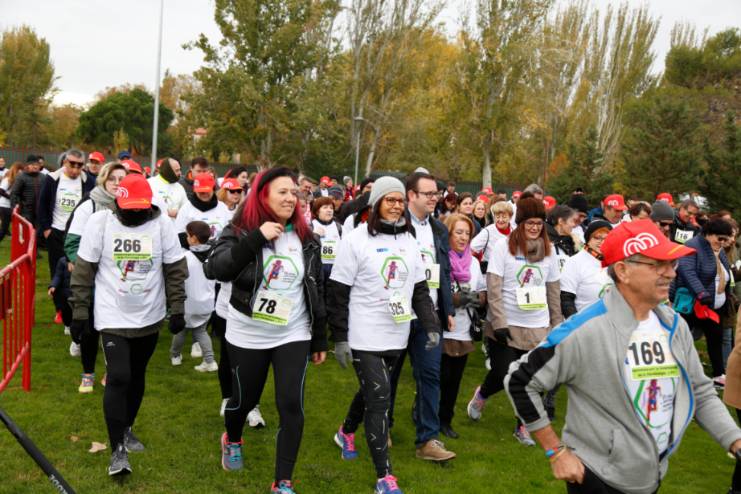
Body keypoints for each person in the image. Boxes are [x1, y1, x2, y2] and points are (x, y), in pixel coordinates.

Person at [504, 219, 741, 494]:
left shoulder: (674, 325)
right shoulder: (584, 330)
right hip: (597, 478)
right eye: (657, 265)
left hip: (650, 477)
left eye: (672, 264)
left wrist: (735, 440)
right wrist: (555, 451)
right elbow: (519, 381)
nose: (670, 273)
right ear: (623, 271)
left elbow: (699, 391)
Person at [205, 167, 326, 494]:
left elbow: (316, 287)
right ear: (262, 196)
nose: (290, 198)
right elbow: (216, 269)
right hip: (248, 332)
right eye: (282, 192)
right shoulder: (239, 230)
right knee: (243, 401)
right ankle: (232, 437)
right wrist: (256, 238)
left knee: (291, 405)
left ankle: (282, 482)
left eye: (293, 192)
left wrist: (319, 337)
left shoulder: (306, 237)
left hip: (293, 331)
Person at [69, 173, 188, 476]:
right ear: (117, 203)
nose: (135, 213)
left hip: (149, 315)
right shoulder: (101, 223)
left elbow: (175, 269)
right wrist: (80, 312)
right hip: (112, 315)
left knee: (136, 375)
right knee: (119, 376)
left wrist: (177, 308)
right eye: (129, 208)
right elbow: (83, 270)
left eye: (140, 208)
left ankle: (127, 429)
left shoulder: (162, 225)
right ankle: (117, 451)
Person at [328, 176, 441, 494]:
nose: (396, 206)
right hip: (364, 332)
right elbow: (338, 291)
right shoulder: (356, 239)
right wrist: (340, 337)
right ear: (375, 203)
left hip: (397, 331)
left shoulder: (409, 239)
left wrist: (431, 325)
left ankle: (345, 431)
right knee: (380, 398)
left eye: (399, 200)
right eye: (389, 200)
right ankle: (384, 477)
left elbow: (419, 288)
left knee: (372, 389)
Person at [467, 194, 563, 446]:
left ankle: (523, 426)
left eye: (539, 223)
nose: (534, 228)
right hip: (507, 324)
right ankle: (482, 394)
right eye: (529, 223)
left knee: (532, 379)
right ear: (520, 223)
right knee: (503, 373)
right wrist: (499, 322)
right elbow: (494, 286)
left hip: (538, 326)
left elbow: (553, 291)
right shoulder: (503, 247)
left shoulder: (549, 251)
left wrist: (557, 325)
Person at [387, 171, 456, 462]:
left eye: (436, 193)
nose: (434, 198)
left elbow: (444, 270)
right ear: (411, 195)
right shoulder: (393, 225)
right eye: (428, 193)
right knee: (389, 374)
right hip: (396, 312)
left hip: (430, 315)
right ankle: (382, 426)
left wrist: (447, 308)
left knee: (430, 375)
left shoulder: (439, 229)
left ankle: (428, 438)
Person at [64, 162, 128, 392]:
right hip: (92, 278)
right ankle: (88, 373)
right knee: (89, 330)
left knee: (116, 330)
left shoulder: (130, 206)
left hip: (118, 281)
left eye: (122, 179)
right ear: (103, 179)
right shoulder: (89, 205)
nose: (117, 183)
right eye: (112, 178)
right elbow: (72, 242)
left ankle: (111, 372)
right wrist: (87, 264)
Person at [671, 216, 734, 386]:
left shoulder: (718, 249)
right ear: (709, 233)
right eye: (720, 238)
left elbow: (725, 273)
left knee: (715, 339)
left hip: (713, 305)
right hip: (694, 304)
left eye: (725, 240)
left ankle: (718, 374)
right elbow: (687, 271)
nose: (723, 243)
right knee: (684, 338)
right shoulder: (692, 245)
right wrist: (701, 293)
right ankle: (678, 370)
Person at [439, 213, 486, 439]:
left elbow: (482, 291)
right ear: (448, 233)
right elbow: (434, 292)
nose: (463, 237)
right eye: (458, 232)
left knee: (454, 381)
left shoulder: (474, 263)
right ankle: (425, 414)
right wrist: (455, 300)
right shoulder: (440, 260)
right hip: (442, 327)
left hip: (464, 329)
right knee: (438, 378)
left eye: (467, 233)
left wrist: (477, 299)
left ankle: (445, 420)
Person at [38, 149, 96, 321]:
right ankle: (61, 310)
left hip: (78, 234)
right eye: (72, 164)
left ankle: (79, 308)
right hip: (56, 232)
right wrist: (47, 229)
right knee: (58, 271)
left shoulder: (88, 181)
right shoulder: (52, 179)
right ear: (65, 162)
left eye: (79, 165)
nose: (75, 169)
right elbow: (42, 205)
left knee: (78, 271)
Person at [170, 221, 218, 372]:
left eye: (187, 235)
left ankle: (175, 356)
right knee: (201, 331)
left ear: (194, 238)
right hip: (207, 303)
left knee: (180, 330)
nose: (186, 237)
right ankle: (209, 361)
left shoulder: (184, 257)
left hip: (188, 303)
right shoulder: (214, 256)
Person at [559, 220, 613, 319]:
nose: (602, 242)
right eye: (597, 238)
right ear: (588, 239)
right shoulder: (574, 262)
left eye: (607, 238)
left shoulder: (614, 261)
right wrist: (575, 323)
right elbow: (566, 299)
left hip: (611, 322)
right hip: (585, 322)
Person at [175, 172, 232, 245]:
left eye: (207, 191)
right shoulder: (186, 208)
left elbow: (229, 232)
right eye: (201, 192)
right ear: (195, 191)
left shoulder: (223, 208)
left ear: (213, 189)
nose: (204, 194)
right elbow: (178, 234)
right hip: (193, 250)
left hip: (218, 250)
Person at [471, 200, 513, 271]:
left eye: (504, 217)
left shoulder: (514, 232)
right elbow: (471, 249)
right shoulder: (487, 231)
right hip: (491, 272)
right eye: (497, 217)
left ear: (510, 217)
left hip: (508, 271)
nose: (500, 220)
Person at [310, 196, 342, 283]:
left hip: (335, 268)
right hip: (317, 267)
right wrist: (314, 235)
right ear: (317, 211)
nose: (329, 210)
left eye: (331, 208)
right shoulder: (311, 226)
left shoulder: (339, 227)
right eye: (325, 207)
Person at [10, 156, 44, 230]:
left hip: (40, 212)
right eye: (33, 164)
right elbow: (14, 194)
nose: (35, 166)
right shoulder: (21, 177)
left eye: (37, 164)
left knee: (39, 234)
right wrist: (16, 209)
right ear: (27, 165)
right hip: (26, 212)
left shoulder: (43, 177)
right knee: (27, 233)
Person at [148, 157, 187, 221]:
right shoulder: (150, 183)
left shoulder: (180, 188)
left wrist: (178, 213)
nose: (180, 173)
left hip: (174, 226)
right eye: (177, 170)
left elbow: (186, 210)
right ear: (168, 171)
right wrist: (165, 212)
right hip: (154, 226)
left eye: (180, 169)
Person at [545, 205, 578, 272]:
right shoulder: (545, 240)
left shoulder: (570, 241)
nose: (574, 225)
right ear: (561, 221)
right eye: (571, 221)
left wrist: (578, 245)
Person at [0, 161, 24, 243]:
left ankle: (19, 241)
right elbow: (1, 191)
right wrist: (11, 198)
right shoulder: (7, 179)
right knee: (4, 229)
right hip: (4, 206)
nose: (21, 173)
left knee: (15, 225)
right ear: (15, 170)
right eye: (19, 171)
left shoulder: (17, 180)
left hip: (11, 206)